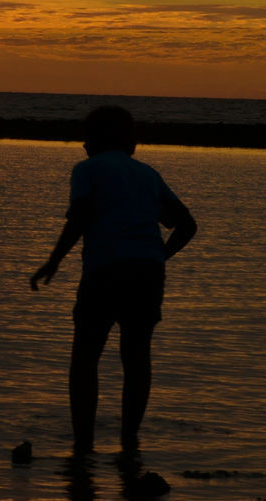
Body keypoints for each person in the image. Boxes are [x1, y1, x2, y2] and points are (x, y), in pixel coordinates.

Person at [31, 105, 197, 456]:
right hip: (147, 274)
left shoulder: (88, 170)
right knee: (136, 356)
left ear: (94, 139)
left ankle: (83, 443)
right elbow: (186, 225)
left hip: (104, 271)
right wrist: (158, 257)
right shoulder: (148, 175)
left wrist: (53, 261)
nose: (82, 145)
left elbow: (80, 217)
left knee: (86, 356)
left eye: (85, 137)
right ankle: (129, 441)